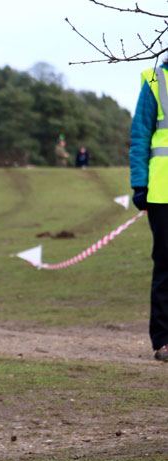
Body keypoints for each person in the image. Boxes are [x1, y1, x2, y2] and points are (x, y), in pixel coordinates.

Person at [130, 57, 168, 362]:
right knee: (167, 266)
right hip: (162, 191)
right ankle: (164, 340)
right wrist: (139, 184)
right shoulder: (155, 80)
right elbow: (140, 135)